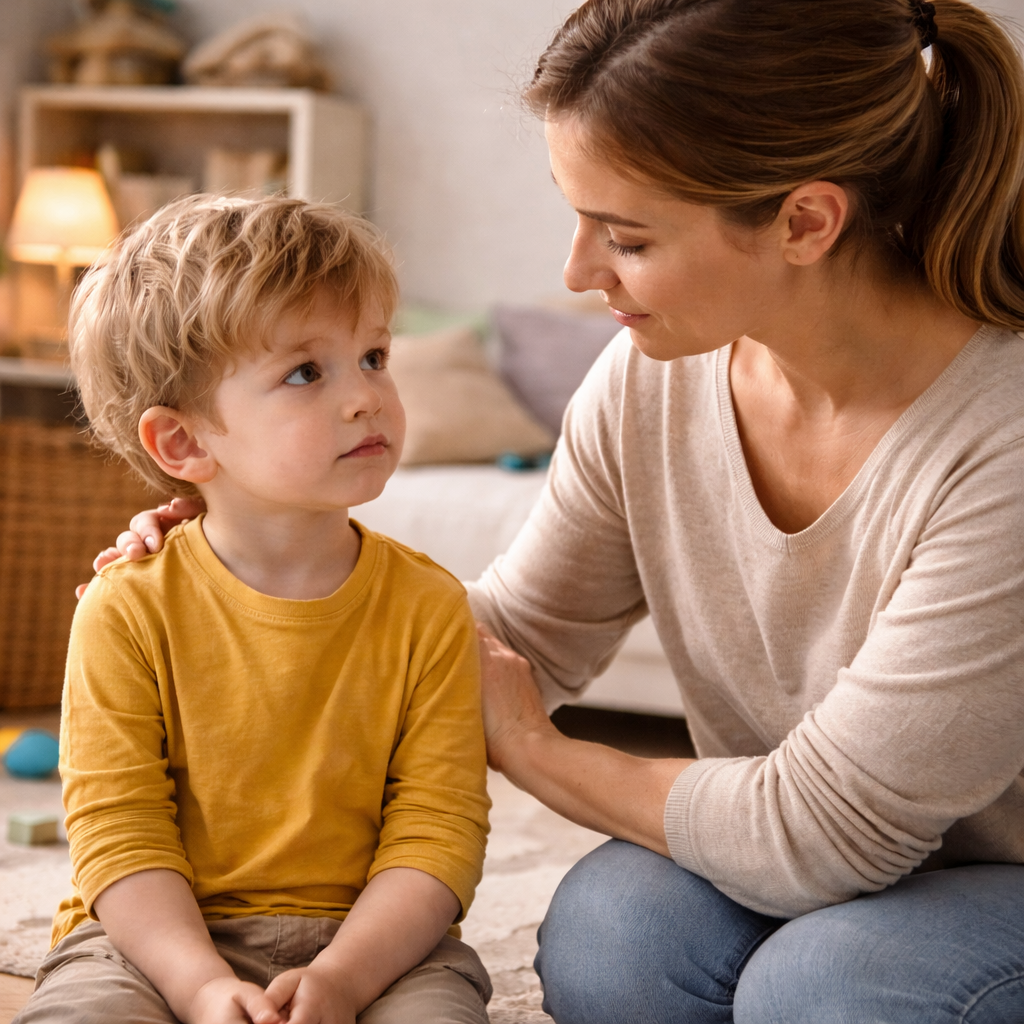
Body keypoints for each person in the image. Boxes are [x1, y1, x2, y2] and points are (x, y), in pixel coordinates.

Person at [96, 0, 1024, 1020]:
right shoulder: (650, 378)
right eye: (576, 216)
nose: (576, 272)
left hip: (984, 869)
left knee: (826, 981)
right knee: (612, 932)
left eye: (624, 236)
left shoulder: (1000, 442)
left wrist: (540, 750)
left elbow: (821, 831)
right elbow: (502, 644)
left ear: (805, 220)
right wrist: (242, 569)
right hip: (829, 846)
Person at [23, 195, 491, 1024]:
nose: (365, 397)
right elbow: (118, 832)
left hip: (372, 940)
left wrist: (345, 978)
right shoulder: (125, 609)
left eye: (374, 356)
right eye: (307, 372)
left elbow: (438, 830)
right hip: (153, 939)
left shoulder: (432, 607)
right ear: (185, 444)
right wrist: (198, 984)